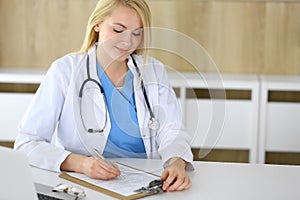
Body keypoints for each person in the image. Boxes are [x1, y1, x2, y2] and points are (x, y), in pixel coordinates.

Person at [14, 0, 194, 192]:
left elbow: (172, 129)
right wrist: (81, 164)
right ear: (97, 24)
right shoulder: (65, 71)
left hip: (142, 185)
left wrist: (176, 162)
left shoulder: (153, 71)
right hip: (82, 185)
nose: (128, 42)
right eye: (118, 30)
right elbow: (27, 143)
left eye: (137, 33)